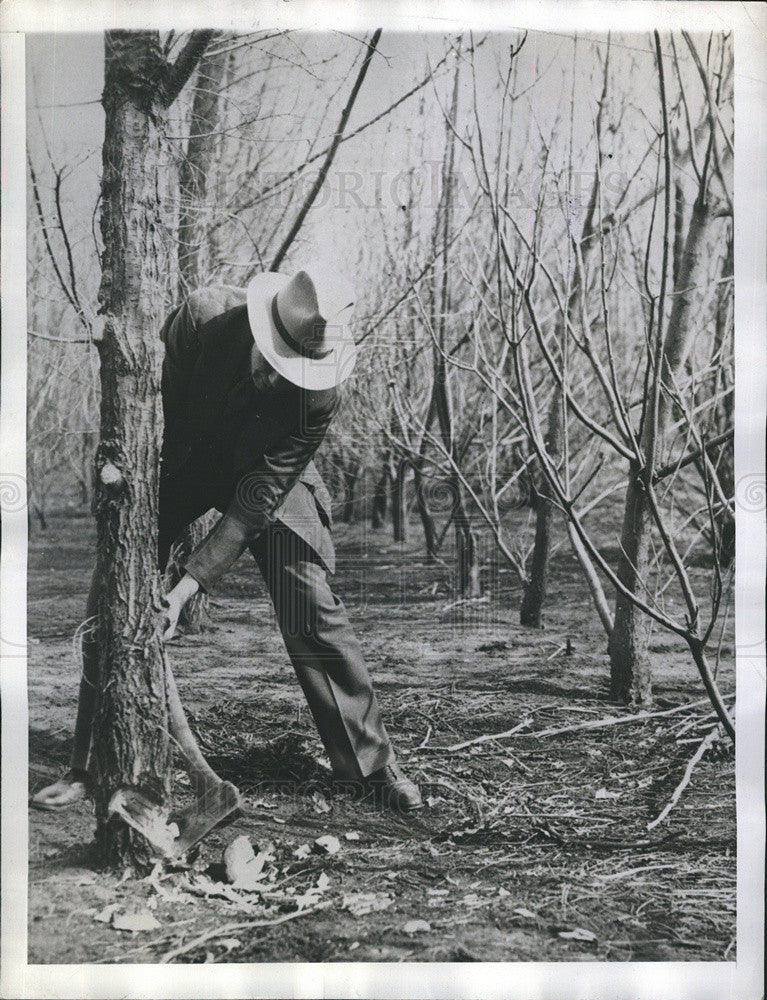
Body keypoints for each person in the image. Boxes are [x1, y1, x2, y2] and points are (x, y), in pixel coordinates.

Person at [32, 267, 422, 814]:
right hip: (184, 463)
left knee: (305, 595)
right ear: (261, 326)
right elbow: (150, 417)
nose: (279, 379)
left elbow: (257, 499)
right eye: (275, 362)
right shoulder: (200, 319)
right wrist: (148, 531)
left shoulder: (321, 397)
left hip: (266, 479)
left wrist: (187, 586)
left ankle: (369, 765)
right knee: (118, 572)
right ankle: (89, 760)